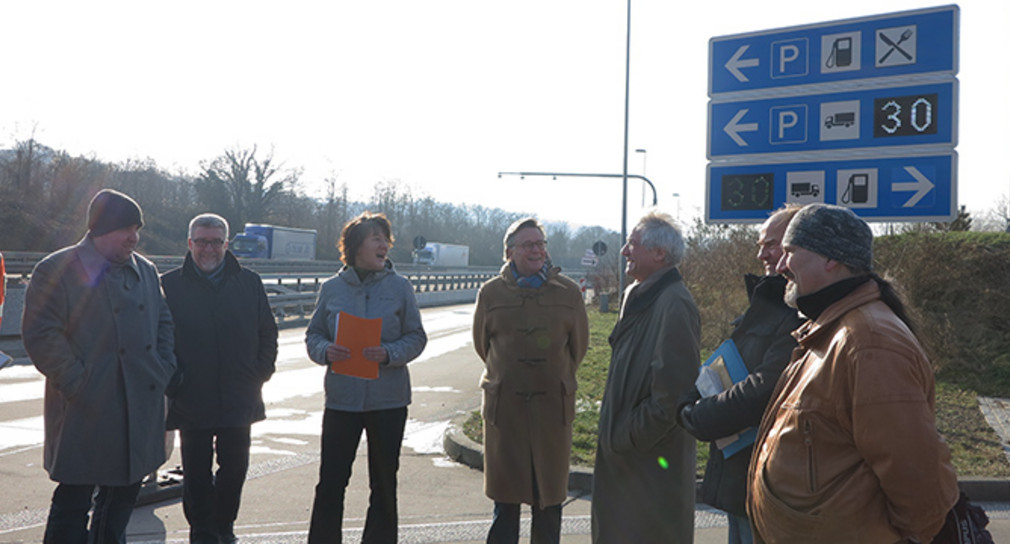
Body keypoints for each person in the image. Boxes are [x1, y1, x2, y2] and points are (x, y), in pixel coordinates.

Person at [747, 203, 959, 542]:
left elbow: (915, 476)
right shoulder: (831, 329)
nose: (782, 265)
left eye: (791, 251)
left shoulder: (869, 343)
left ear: (831, 259)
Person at [21, 188, 177, 544]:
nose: (134, 237)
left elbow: (164, 322)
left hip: (140, 401)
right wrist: (77, 382)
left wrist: (162, 368)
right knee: (73, 502)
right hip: (86, 407)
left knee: (121, 501)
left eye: (137, 228)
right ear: (101, 229)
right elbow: (41, 334)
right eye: (126, 229)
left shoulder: (147, 271)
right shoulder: (57, 269)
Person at [675, 206, 804, 544]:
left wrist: (696, 414)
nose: (762, 253)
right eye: (761, 244)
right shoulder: (770, 301)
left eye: (773, 244)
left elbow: (764, 389)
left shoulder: (798, 313)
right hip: (741, 474)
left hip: (769, 478)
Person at [305, 211, 427, 543]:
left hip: (388, 400)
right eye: (376, 238)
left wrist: (390, 353)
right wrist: (325, 350)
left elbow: (416, 337)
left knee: (384, 481)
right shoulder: (332, 288)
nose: (384, 244)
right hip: (342, 400)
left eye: (386, 239)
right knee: (331, 480)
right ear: (357, 245)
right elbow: (313, 335)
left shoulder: (400, 287)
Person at [161, 213, 279, 544]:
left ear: (227, 245)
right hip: (190, 394)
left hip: (239, 393)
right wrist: (173, 380)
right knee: (196, 473)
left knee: (235, 469)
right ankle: (202, 531)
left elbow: (267, 331)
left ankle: (224, 526)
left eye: (216, 242)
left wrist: (261, 371)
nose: (208, 249)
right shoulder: (168, 285)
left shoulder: (249, 282)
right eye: (202, 241)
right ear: (189, 244)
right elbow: (158, 339)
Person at [472, 217, 590, 544]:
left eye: (540, 244)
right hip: (505, 412)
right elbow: (483, 346)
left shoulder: (568, 293)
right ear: (510, 252)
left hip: (552, 410)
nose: (537, 250)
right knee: (505, 506)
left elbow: (577, 349)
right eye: (528, 245)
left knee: (549, 504)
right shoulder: (490, 293)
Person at [591, 210, 700, 543]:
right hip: (627, 464)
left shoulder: (675, 304)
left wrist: (624, 437)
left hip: (646, 467)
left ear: (659, 254)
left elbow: (673, 397)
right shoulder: (637, 295)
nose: (624, 251)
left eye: (632, 243)